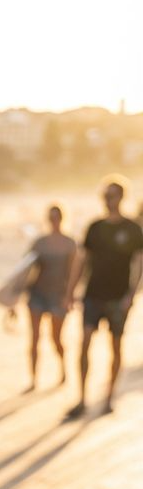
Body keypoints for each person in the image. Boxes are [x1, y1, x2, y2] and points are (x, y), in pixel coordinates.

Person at [64, 177, 143, 418]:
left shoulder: (133, 229)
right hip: (92, 295)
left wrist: (131, 294)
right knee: (84, 343)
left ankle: (109, 397)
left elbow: (139, 263)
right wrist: (70, 292)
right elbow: (81, 260)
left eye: (112, 196)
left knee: (115, 346)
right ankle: (82, 398)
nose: (108, 200)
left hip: (118, 298)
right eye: (105, 196)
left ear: (121, 197)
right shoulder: (95, 227)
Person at [23, 203, 77, 390]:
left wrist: (69, 296)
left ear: (62, 219)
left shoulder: (70, 243)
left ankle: (63, 370)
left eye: (57, 217)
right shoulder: (39, 243)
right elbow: (25, 270)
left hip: (58, 296)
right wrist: (13, 297)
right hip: (37, 294)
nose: (54, 221)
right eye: (51, 218)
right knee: (34, 338)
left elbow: (74, 273)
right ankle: (33, 380)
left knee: (56, 338)